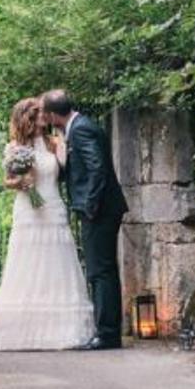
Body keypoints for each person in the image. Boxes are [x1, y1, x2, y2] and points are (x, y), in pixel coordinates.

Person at [0, 97, 95, 350]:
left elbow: (68, 169)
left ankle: (61, 329)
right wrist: (22, 183)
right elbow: (8, 181)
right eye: (37, 116)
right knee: (28, 263)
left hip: (53, 207)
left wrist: (62, 148)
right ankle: (21, 327)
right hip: (28, 210)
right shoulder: (14, 147)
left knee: (57, 263)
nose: (42, 120)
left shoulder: (53, 142)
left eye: (42, 115)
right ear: (26, 120)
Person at [40, 89, 128, 350]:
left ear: (53, 114)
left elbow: (97, 168)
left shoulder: (81, 129)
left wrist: (89, 206)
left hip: (99, 210)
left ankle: (108, 334)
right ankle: (107, 331)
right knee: (102, 271)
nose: (44, 118)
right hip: (101, 208)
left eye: (45, 114)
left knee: (100, 272)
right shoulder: (78, 126)